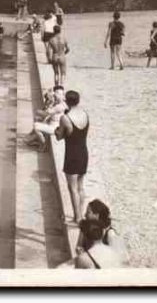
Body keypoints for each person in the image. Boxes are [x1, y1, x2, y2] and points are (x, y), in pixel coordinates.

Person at [55, 90, 89, 223]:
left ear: (67, 102)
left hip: (72, 155)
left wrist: (57, 129)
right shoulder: (85, 115)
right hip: (83, 153)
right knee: (81, 186)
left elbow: (59, 136)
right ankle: (80, 212)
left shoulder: (66, 118)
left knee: (72, 188)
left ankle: (77, 217)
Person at [24, 85, 66, 151]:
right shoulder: (57, 103)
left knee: (36, 126)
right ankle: (37, 140)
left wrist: (38, 111)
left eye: (58, 93)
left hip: (54, 128)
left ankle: (43, 146)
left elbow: (46, 113)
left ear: (63, 96)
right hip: (51, 124)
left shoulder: (59, 106)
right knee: (38, 121)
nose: (55, 95)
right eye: (55, 93)